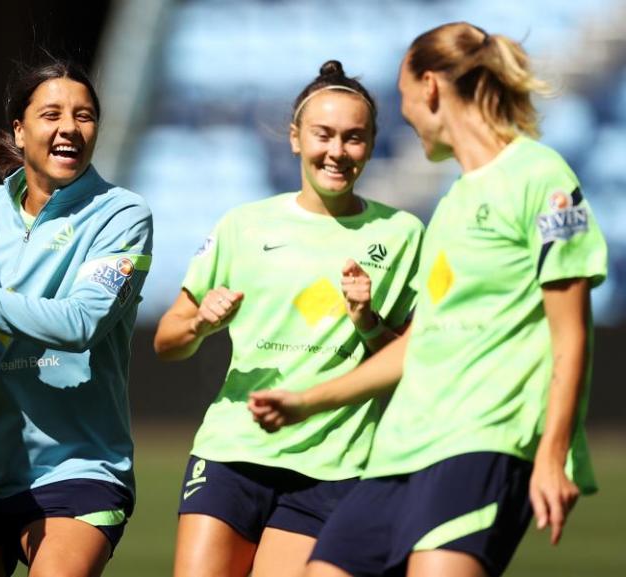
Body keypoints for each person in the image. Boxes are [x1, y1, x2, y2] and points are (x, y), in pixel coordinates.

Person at [250, 22, 608, 577]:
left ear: (431, 89)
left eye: (404, 97)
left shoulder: (540, 176)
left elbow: (571, 331)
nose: (404, 115)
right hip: (400, 453)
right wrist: (309, 401)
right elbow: (421, 344)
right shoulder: (453, 203)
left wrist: (553, 453)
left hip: (483, 443)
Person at [153, 60, 424, 577]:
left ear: (370, 144)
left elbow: (411, 358)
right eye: (324, 134)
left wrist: (367, 320)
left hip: (334, 463)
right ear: (296, 137)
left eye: (354, 138)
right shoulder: (244, 224)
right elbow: (167, 340)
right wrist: (201, 324)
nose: (337, 152)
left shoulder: (403, 233)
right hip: (234, 449)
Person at [0, 59, 153, 577]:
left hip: (79, 465)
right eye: (51, 113)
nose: (69, 129)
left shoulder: (122, 214)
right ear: (20, 128)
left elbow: (80, 324)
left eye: (84, 116)